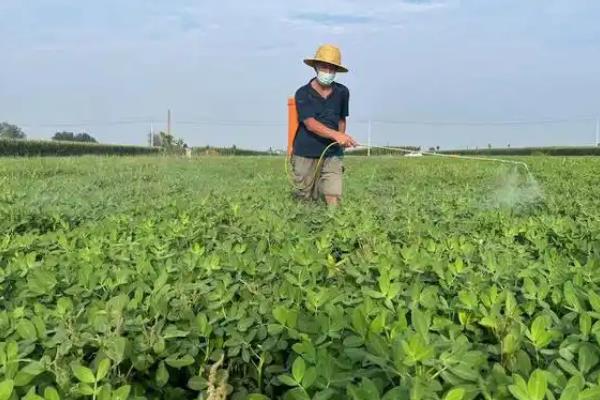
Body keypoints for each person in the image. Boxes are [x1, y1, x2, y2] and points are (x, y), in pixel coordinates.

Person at [291, 44, 357, 206]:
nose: (327, 71)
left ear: (336, 71)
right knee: (304, 196)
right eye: (323, 67)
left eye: (331, 68)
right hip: (305, 151)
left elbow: (342, 119)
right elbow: (310, 124)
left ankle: (334, 223)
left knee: (333, 191)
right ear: (315, 67)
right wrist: (337, 135)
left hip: (332, 151)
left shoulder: (342, 92)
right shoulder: (302, 93)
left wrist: (340, 142)